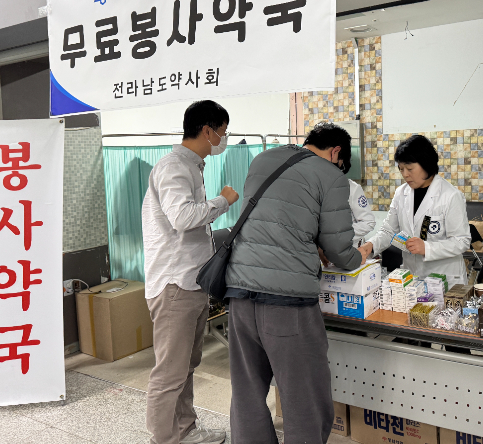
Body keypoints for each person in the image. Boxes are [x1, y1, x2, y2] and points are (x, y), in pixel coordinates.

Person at [225, 122, 366, 444]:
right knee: (303, 394)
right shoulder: (331, 176)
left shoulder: (263, 159)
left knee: (246, 388)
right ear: (337, 152)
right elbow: (339, 250)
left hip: (240, 293)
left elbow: (276, 222)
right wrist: (362, 255)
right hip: (286, 304)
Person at [142, 100, 239, 444]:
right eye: (223, 133)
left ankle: (184, 431)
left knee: (186, 366)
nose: (223, 139)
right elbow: (182, 218)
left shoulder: (192, 167)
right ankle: (165, 439)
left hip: (190, 283)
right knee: (170, 373)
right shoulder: (173, 168)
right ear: (207, 130)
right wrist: (223, 201)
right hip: (174, 286)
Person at [359, 134, 471, 285]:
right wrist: (370, 246)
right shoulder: (401, 193)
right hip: (412, 277)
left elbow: (461, 241)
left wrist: (427, 248)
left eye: (410, 168)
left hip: (444, 279)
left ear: (426, 164)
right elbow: (388, 231)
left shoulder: (450, 196)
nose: (405, 174)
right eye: (401, 169)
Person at [349, 179, 376, 247]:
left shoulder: (352, 188)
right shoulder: (319, 187)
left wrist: (341, 235)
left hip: (350, 248)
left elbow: (368, 222)